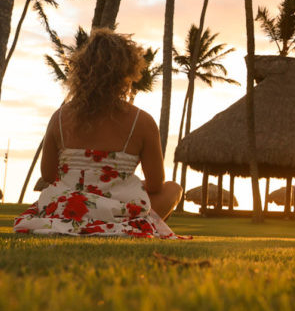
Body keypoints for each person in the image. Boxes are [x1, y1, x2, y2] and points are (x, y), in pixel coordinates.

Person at [15, 29, 186, 238]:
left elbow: (48, 175)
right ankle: (137, 227)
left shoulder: (60, 117)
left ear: (81, 70)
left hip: (68, 210)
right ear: (128, 71)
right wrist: (123, 180)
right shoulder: (141, 121)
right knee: (173, 189)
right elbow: (156, 183)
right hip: (119, 214)